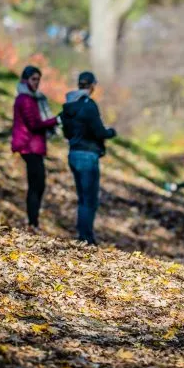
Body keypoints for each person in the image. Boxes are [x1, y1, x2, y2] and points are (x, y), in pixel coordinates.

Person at [60, 71, 116, 245]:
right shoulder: (89, 105)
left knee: (82, 198)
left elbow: (66, 132)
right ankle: (86, 238)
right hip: (88, 156)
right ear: (91, 85)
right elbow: (99, 131)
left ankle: (83, 235)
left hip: (73, 153)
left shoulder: (68, 105)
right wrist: (111, 132)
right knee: (89, 199)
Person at [11, 65, 59, 232]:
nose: (37, 83)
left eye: (38, 79)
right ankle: (33, 223)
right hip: (28, 146)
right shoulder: (25, 99)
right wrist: (56, 121)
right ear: (25, 79)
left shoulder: (33, 98)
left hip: (34, 145)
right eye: (34, 79)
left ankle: (34, 222)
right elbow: (34, 124)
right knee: (36, 184)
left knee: (39, 184)